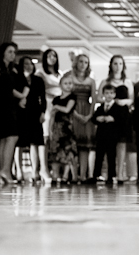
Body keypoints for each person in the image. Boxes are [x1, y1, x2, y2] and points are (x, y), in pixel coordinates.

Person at [0, 42, 22, 184]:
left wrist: (21, 96)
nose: (12, 55)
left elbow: (10, 89)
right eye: (10, 51)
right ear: (2, 52)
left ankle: (3, 170)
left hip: (9, 105)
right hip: (2, 106)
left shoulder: (10, 69)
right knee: (12, 137)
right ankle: (5, 169)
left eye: (14, 52)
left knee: (5, 138)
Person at [100, 55, 133, 181]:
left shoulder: (127, 82)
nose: (118, 66)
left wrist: (123, 101)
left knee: (122, 144)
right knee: (109, 144)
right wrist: (110, 100)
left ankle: (120, 173)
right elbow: (99, 97)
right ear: (111, 65)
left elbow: (131, 99)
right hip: (110, 113)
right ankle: (109, 173)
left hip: (123, 115)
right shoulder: (105, 82)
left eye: (120, 63)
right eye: (115, 63)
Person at [15, 56, 48, 184]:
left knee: (36, 142)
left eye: (30, 64)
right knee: (20, 143)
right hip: (21, 111)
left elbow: (42, 97)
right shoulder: (17, 79)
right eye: (25, 64)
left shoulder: (38, 80)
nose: (28, 66)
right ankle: (19, 171)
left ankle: (35, 171)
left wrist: (43, 112)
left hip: (35, 111)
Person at [64, 53, 97, 181]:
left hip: (87, 111)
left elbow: (93, 99)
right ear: (76, 63)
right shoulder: (69, 78)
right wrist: (75, 113)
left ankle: (83, 175)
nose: (83, 64)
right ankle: (73, 175)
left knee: (85, 146)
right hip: (72, 110)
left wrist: (90, 115)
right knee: (73, 145)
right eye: (81, 61)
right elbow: (66, 96)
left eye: (86, 62)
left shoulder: (91, 81)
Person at [89, 84, 127, 184]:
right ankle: (96, 175)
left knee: (111, 156)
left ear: (114, 94)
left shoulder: (118, 107)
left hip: (112, 136)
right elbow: (93, 118)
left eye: (111, 93)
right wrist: (98, 119)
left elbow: (122, 119)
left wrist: (113, 119)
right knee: (99, 156)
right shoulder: (100, 107)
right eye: (106, 93)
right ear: (103, 94)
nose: (109, 95)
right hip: (101, 136)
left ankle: (111, 176)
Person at [48, 76, 79, 184]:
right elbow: (52, 115)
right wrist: (50, 129)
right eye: (65, 83)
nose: (68, 85)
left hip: (67, 128)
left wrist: (56, 107)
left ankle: (71, 176)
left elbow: (67, 109)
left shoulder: (72, 97)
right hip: (57, 127)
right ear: (60, 85)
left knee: (69, 151)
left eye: (70, 83)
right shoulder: (56, 99)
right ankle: (55, 175)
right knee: (55, 152)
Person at [38, 49, 61, 182]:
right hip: (48, 106)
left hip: (60, 108)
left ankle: (56, 169)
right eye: (49, 56)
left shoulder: (60, 74)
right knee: (45, 137)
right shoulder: (41, 73)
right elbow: (40, 91)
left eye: (54, 56)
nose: (52, 58)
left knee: (56, 137)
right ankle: (43, 167)